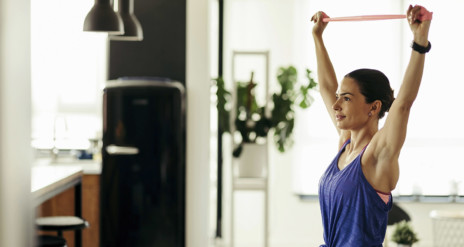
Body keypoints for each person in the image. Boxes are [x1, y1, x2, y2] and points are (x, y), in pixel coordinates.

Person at [310, 5, 432, 247]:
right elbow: (325, 86)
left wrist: (419, 43)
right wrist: (318, 38)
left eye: (346, 98)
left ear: (373, 108)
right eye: (339, 97)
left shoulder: (378, 154)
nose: (336, 105)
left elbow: (404, 104)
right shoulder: (345, 144)